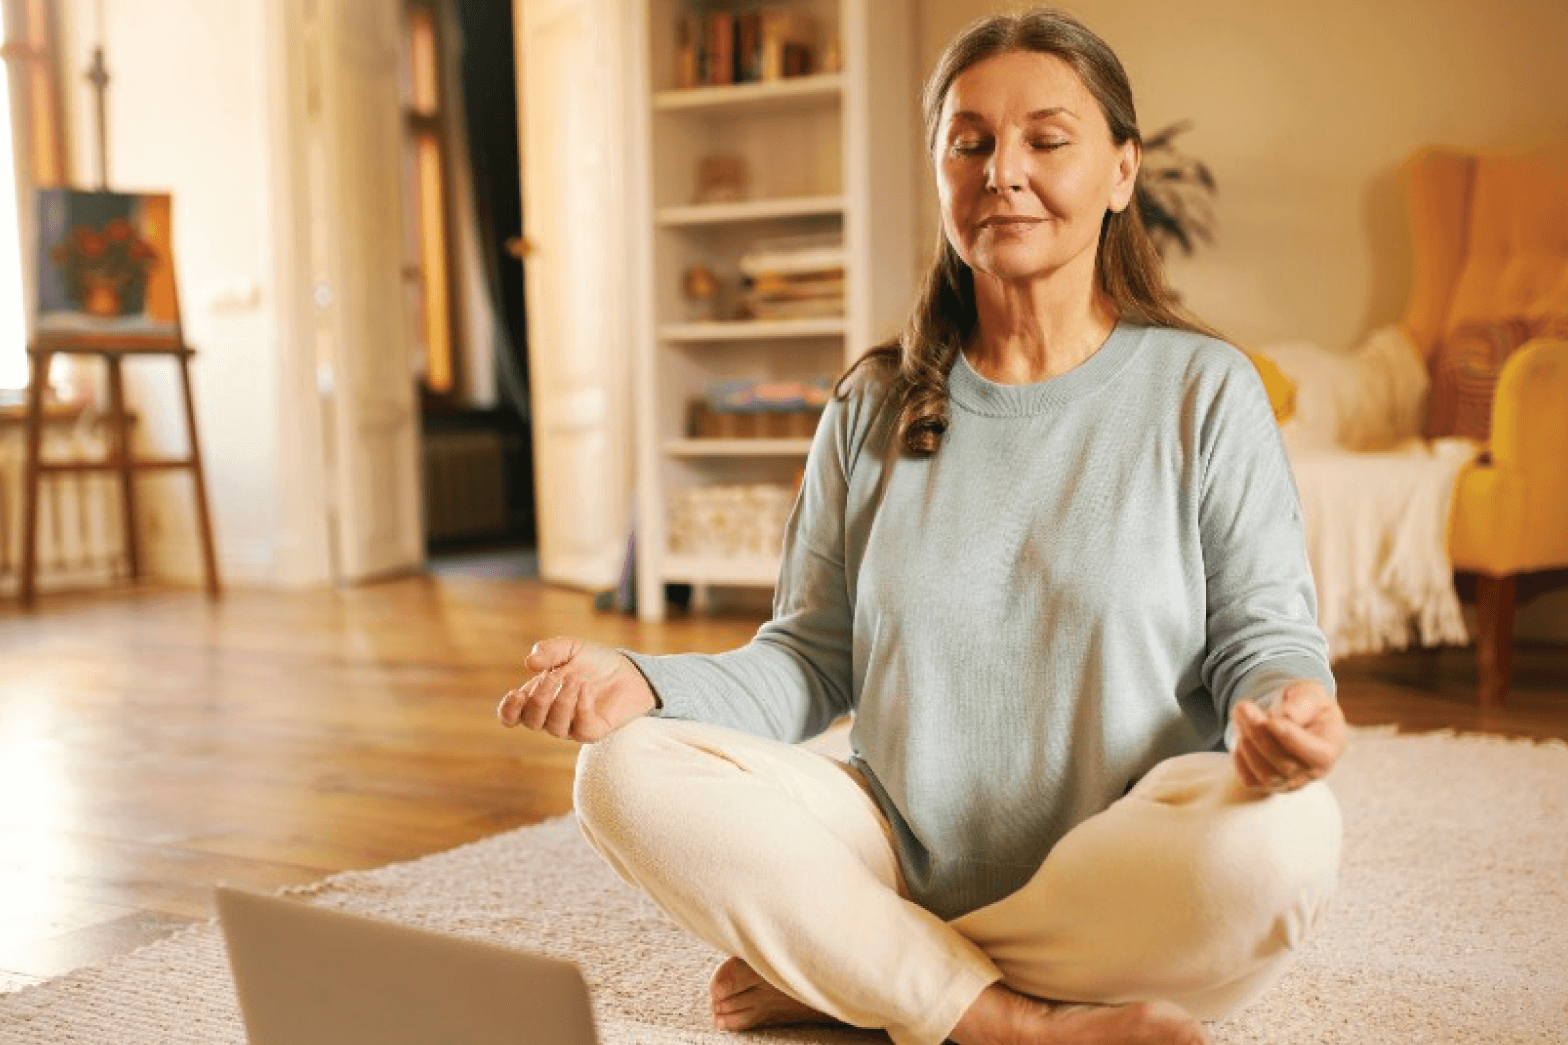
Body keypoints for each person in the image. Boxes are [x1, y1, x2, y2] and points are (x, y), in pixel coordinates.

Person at [496, 9, 1347, 1045]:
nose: (1001, 172)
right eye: (969, 141)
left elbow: (1264, 633)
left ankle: (871, 968)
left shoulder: (1202, 389)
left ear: (1122, 169)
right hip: (896, 846)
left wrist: (1288, 710)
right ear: (939, 169)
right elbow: (806, 662)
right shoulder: (872, 404)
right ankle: (1006, 1020)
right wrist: (644, 682)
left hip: (1126, 872)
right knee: (622, 772)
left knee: (1287, 841)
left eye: (1045, 139)